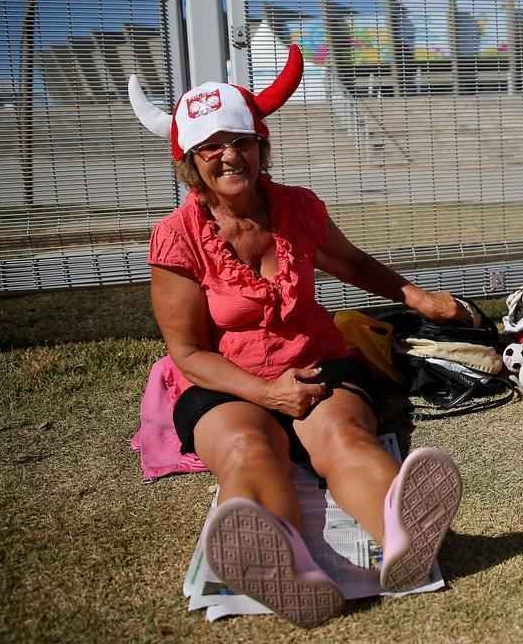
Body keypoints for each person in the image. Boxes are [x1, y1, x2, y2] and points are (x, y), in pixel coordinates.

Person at [130, 46, 465, 628]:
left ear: (261, 145)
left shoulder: (299, 208)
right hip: (226, 381)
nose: (230, 156)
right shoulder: (175, 238)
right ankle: (284, 567)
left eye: (242, 141)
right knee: (248, 450)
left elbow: (352, 264)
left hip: (315, 363)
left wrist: (416, 297)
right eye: (212, 146)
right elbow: (188, 353)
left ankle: (404, 536)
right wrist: (267, 394)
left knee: (344, 441)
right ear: (189, 160)